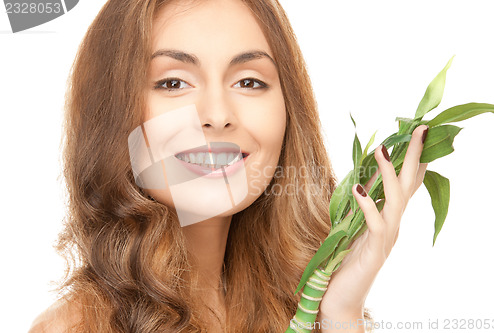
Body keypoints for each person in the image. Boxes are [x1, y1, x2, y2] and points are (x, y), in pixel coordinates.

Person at [28, 0, 428, 332]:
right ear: (111, 116)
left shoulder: (288, 307)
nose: (217, 115)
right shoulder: (74, 327)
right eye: (172, 83)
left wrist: (340, 314)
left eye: (250, 82)